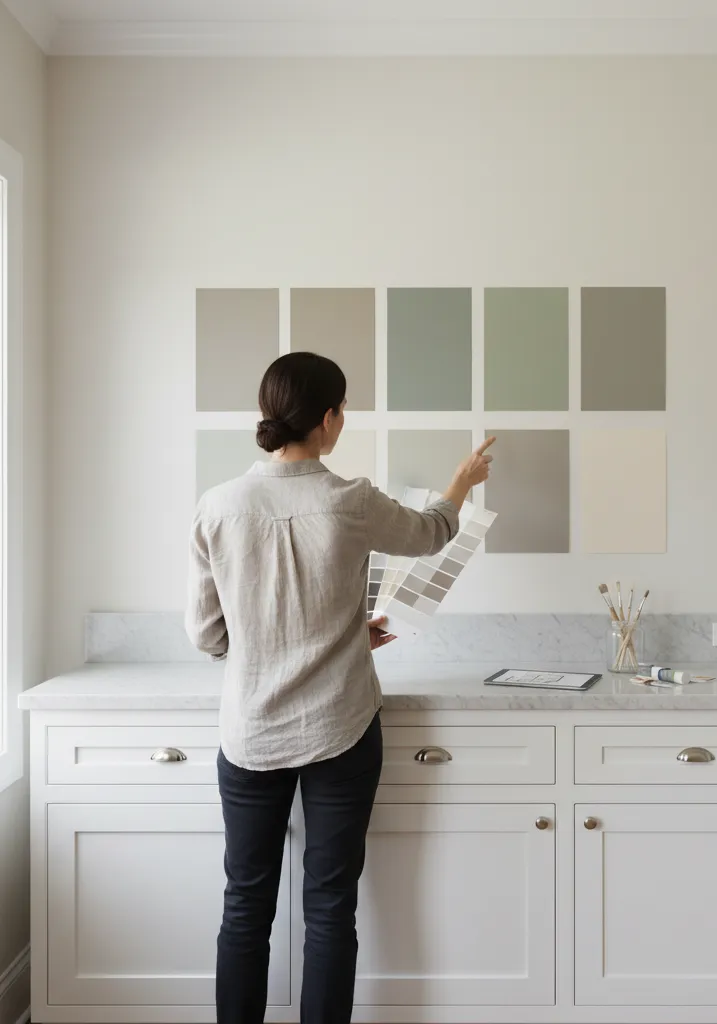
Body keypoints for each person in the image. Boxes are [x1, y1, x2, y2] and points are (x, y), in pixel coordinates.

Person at [185, 351, 495, 1024]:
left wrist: (290, 636)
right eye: (342, 410)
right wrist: (462, 481)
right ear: (328, 418)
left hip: (250, 734)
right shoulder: (350, 501)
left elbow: (209, 637)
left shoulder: (218, 507)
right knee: (330, 910)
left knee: (245, 907)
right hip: (342, 729)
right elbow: (433, 532)